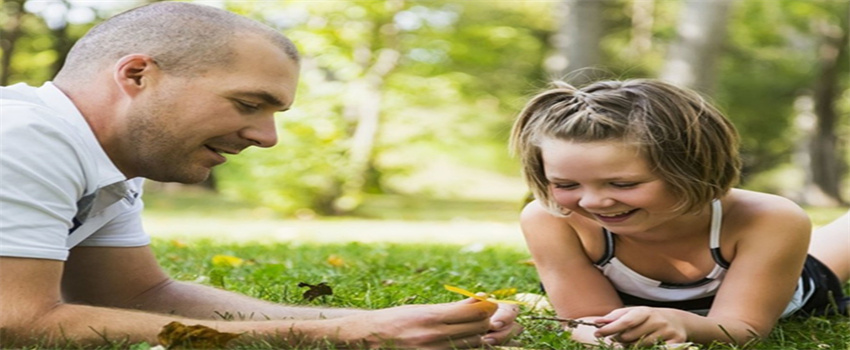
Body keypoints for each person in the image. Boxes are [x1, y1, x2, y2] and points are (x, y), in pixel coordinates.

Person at [0, 2, 521, 348]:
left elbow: (140, 295)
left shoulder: (103, 162)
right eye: (248, 104)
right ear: (138, 75)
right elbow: (19, 322)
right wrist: (337, 338)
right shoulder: (24, 137)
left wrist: (383, 324)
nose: (266, 137)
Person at [509, 78, 849, 347]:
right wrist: (612, 340)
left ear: (692, 169)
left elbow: (743, 328)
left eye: (623, 184)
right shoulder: (551, 219)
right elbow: (586, 320)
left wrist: (680, 324)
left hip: (782, 281)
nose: (593, 202)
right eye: (567, 185)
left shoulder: (770, 219)